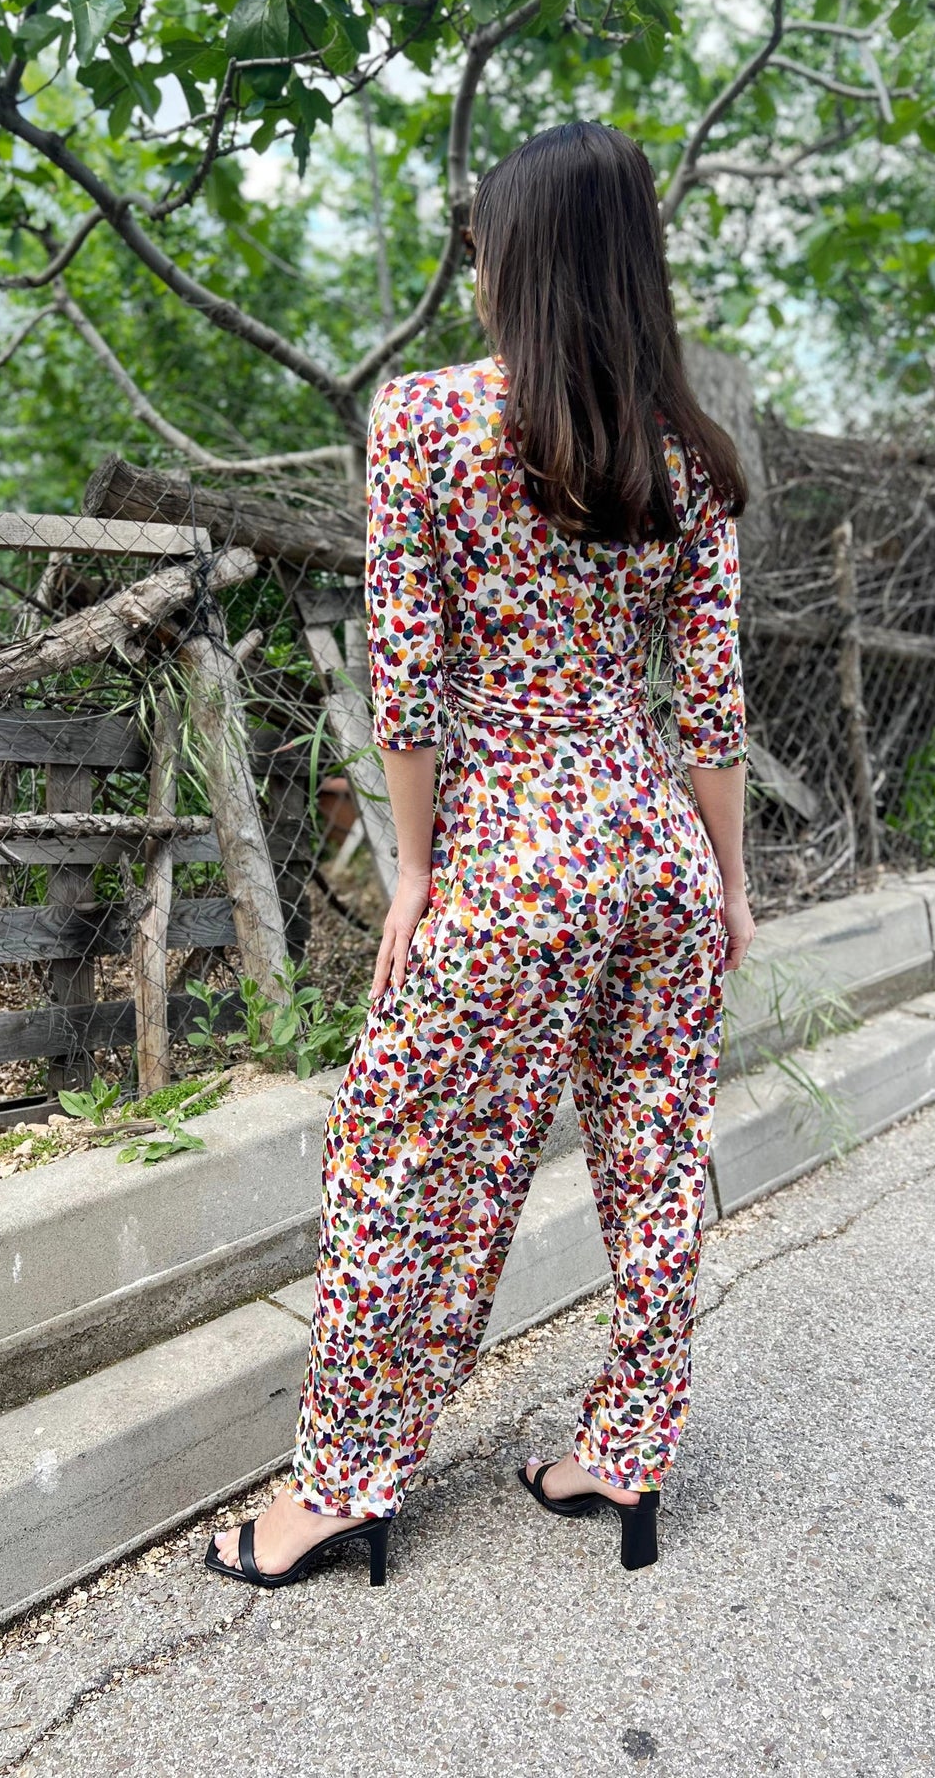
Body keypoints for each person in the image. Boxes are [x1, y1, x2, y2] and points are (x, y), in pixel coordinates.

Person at [208, 118, 755, 1589]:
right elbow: (707, 704)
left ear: (511, 258)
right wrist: (727, 887)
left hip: (511, 844)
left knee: (404, 1160)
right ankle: (621, 1457)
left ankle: (340, 1489)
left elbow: (407, 673)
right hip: (648, 840)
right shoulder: (688, 458)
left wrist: (414, 869)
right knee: (652, 1153)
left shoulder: (427, 420)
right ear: (634, 266)